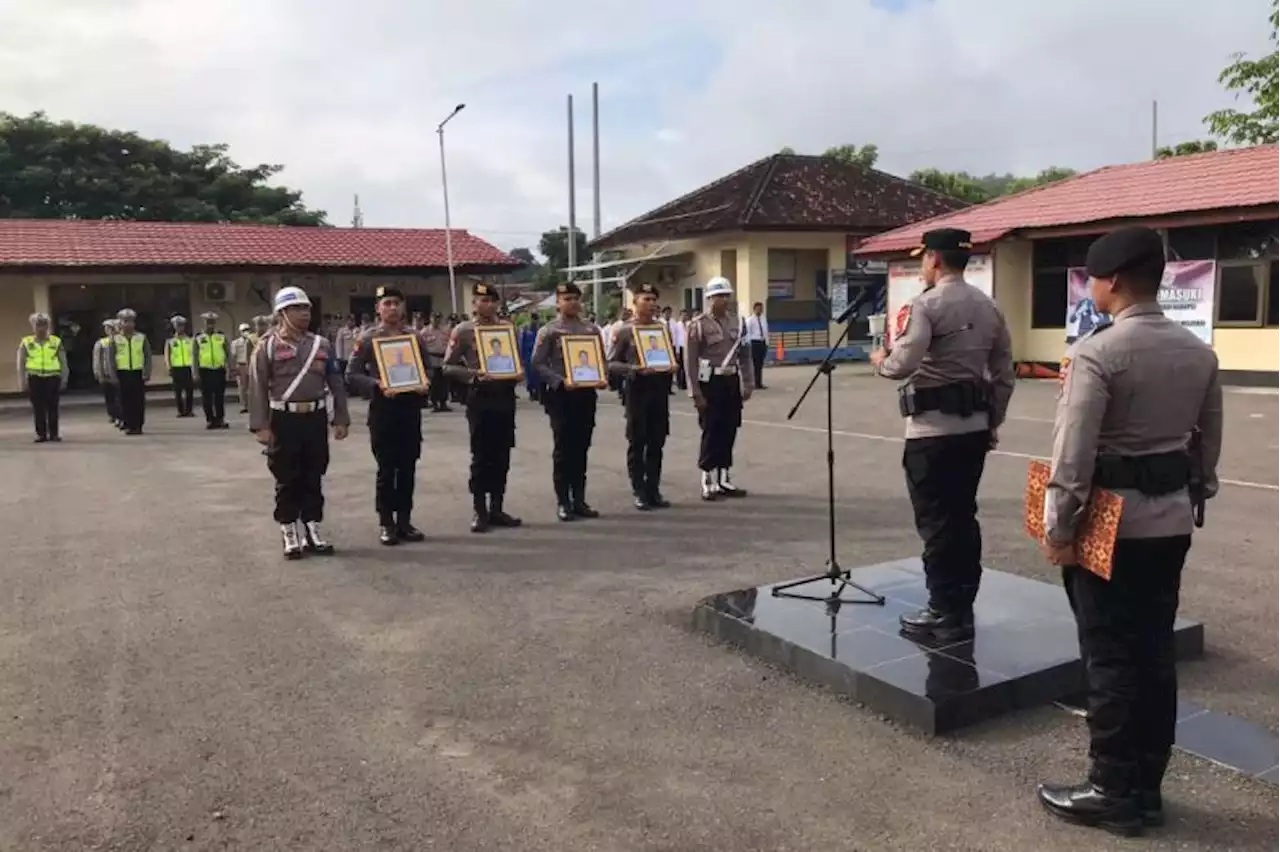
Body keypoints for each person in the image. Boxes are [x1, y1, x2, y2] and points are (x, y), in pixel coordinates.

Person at [1035, 226, 1222, 837]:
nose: (1090, 285)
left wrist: (1058, 526)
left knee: (1109, 658)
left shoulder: (1098, 352)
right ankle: (1146, 787)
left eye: (1092, 276)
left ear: (1111, 281)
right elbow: (1206, 448)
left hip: (1109, 526)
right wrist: (1191, 494)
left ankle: (1111, 790)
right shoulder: (1198, 352)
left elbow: (1073, 456)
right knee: (1153, 654)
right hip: (1170, 520)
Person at [870, 227, 1016, 642]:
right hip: (972, 430)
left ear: (934, 258)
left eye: (923, 258)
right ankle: (963, 606)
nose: (922, 266)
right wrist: (993, 422)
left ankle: (942, 610)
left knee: (936, 522)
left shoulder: (927, 304)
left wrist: (881, 360)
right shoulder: (990, 307)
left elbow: (903, 364)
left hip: (931, 433)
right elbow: (1005, 375)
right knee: (963, 517)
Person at [248, 286, 350, 559]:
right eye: (297, 309)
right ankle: (289, 529)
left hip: (314, 417)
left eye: (307, 308)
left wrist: (340, 417)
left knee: (314, 473)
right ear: (282, 313)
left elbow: (336, 383)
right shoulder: (267, 345)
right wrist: (261, 425)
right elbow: (257, 386)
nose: (304, 313)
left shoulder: (321, 344)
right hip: (283, 417)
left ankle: (312, 527)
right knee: (286, 476)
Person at [346, 286, 429, 545]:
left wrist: (425, 382)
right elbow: (352, 374)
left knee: (407, 467)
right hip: (383, 409)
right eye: (387, 303)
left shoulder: (414, 337)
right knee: (386, 468)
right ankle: (386, 522)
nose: (392, 308)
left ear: (403, 307)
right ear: (378, 308)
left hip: (409, 408)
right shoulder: (368, 338)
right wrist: (376, 384)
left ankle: (405, 520)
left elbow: (428, 369)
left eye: (396, 303)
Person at [442, 283, 524, 533]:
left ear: (497, 304)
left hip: (505, 396)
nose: (487, 305)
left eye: (491, 300)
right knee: (481, 455)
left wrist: (519, 372)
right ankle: (480, 510)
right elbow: (448, 366)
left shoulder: (507, 329)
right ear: (474, 304)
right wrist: (473, 375)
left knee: (502, 454)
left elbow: (515, 361)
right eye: (482, 300)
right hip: (480, 396)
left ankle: (497, 507)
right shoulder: (464, 330)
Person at [532, 282, 604, 521]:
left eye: (575, 298)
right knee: (563, 449)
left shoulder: (591, 330)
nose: (572, 302)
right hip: (561, 396)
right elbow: (538, 364)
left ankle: (579, 499)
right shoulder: (549, 331)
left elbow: (600, 360)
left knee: (582, 447)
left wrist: (601, 377)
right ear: (558, 302)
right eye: (567, 299)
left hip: (585, 394)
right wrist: (559, 381)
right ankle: (563, 501)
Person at [685, 277, 754, 501]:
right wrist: (694, 391)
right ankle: (707, 478)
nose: (724, 300)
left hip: (730, 381)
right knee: (711, 430)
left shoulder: (738, 323)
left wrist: (748, 382)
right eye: (719, 296)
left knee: (730, 427)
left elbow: (745, 355)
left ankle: (724, 477)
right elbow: (691, 361)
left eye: (726, 295)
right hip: (710, 382)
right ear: (709, 299)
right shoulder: (698, 325)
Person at [608, 282, 673, 510]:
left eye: (654, 299)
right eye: (646, 299)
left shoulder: (662, 329)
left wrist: (672, 365)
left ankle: (653, 488)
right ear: (634, 303)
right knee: (638, 442)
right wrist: (633, 369)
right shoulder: (625, 330)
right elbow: (612, 363)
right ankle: (638, 490)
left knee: (657, 441)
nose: (651, 304)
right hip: (637, 390)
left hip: (659, 390)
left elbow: (669, 355)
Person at [16, 312, 68, 443]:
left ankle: (54, 433)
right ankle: (41, 434)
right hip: (35, 378)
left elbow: (63, 361)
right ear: (33, 326)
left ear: (48, 326)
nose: (41, 328)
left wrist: (64, 377)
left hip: (53, 377)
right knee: (38, 408)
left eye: (44, 325)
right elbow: (21, 362)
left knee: (53, 407)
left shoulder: (56, 342)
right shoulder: (26, 342)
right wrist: (22, 380)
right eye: (38, 325)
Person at [107, 308, 152, 436]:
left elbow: (147, 356)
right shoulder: (115, 339)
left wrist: (147, 372)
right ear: (120, 323)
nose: (128, 324)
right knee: (124, 400)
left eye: (131, 321)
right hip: (122, 372)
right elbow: (111, 358)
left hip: (137, 372)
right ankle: (128, 423)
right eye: (125, 321)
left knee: (138, 400)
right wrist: (113, 374)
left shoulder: (141, 338)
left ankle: (138, 425)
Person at [194, 310, 231, 429]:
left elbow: (228, 353)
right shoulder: (199, 338)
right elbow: (194, 356)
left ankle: (220, 419)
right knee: (207, 397)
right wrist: (195, 373)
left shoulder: (221, 336)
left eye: (212, 322)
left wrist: (231, 368)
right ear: (203, 323)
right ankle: (210, 420)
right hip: (205, 370)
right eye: (207, 322)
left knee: (219, 396)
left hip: (219, 370)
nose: (210, 324)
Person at [164, 315, 196, 418]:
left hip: (188, 367)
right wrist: (169, 367)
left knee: (189, 390)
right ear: (174, 327)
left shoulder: (190, 340)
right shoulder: (170, 341)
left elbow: (194, 354)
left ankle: (189, 410)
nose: (179, 328)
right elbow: (167, 356)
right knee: (177, 391)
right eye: (177, 326)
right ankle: (180, 411)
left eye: (181, 326)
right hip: (176, 368)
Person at [420, 313, 453, 412]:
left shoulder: (446, 331)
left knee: (444, 383)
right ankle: (435, 403)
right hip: (432, 359)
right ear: (430, 319)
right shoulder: (425, 331)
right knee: (434, 383)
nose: (436, 321)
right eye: (434, 318)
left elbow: (451, 343)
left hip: (443, 359)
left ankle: (443, 403)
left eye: (438, 318)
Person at [92, 319, 122, 427]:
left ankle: (120, 416)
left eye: (110, 328)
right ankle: (112, 415)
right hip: (105, 372)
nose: (108, 331)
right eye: (107, 329)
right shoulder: (102, 342)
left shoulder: (120, 341)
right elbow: (96, 359)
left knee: (119, 397)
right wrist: (97, 372)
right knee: (109, 397)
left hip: (118, 372)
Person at [745, 301, 770, 389]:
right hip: (754, 343)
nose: (760, 310)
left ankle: (759, 382)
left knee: (760, 364)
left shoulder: (763, 319)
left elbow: (766, 331)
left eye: (761, 308)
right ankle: (754, 383)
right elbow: (747, 333)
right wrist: (749, 345)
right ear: (754, 309)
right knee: (755, 364)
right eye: (759, 308)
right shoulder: (750, 320)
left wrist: (767, 343)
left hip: (762, 343)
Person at [231, 323, 253, 413]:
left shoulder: (253, 340)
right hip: (241, 365)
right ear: (240, 332)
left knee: (252, 386)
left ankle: (252, 405)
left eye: (247, 329)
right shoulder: (235, 343)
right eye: (244, 330)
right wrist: (234, 368)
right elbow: (233, 356)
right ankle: (244, 406)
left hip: (251, 365)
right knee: (242, 387)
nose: (246, 332)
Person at [518, 317, 542, 401]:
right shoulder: (525, 330)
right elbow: (521, 344)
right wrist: (521, 358)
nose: (534, 321)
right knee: (529, 375)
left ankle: (538, 393)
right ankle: (531, 392)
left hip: (538, 355)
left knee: (538, 375)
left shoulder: (540, 329)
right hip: (528, 355)